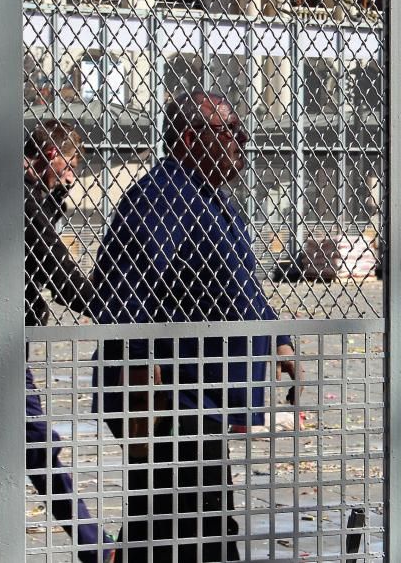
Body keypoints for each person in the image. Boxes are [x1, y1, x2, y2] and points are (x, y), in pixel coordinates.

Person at [91, 90, 301, 562]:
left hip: (202, 398)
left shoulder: (210, 199)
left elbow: (240, 284)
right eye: (228, 130)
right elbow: (127, 289)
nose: (242, 139)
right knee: (187, 524)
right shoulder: (164, 198)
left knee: (178, 520)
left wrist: (279, 341)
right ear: (190, 138)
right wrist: (138, 374)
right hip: (174, 400)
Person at [0, 120, 115, 563]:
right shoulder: (13, 195)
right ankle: (95, 547)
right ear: (49, 155)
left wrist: (52, 197)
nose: (72, 178)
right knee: (33, 442)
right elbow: (56, 267)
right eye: (70, 167)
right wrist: (113, 310)